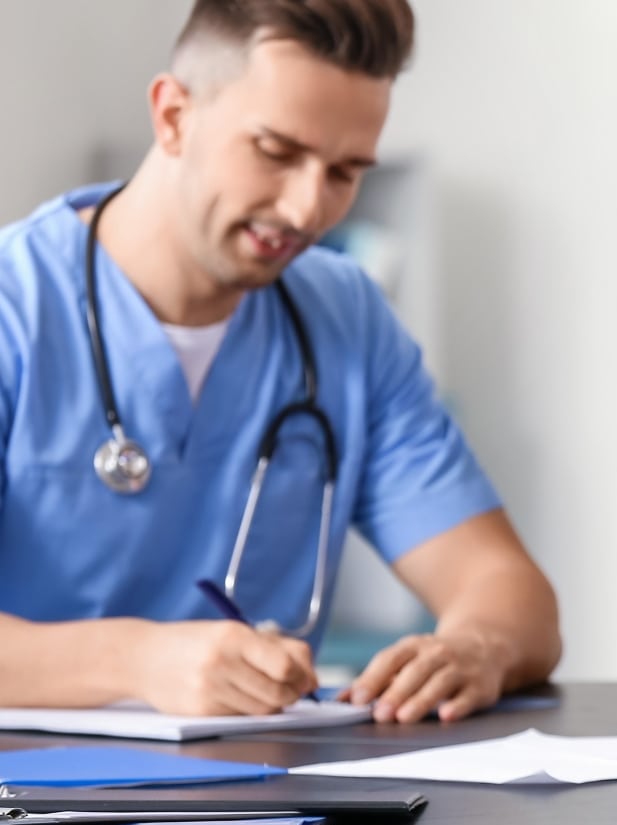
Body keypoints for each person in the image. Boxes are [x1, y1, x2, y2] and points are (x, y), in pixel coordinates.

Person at [0, 0, 560, 726]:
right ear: (172, 116)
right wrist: (137, 660)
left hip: (275, 814)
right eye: (276, 152)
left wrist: (476, 647)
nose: (306, 210)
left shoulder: (344, 319)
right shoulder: (17, 309)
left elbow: (509, 590)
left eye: (345, 171)